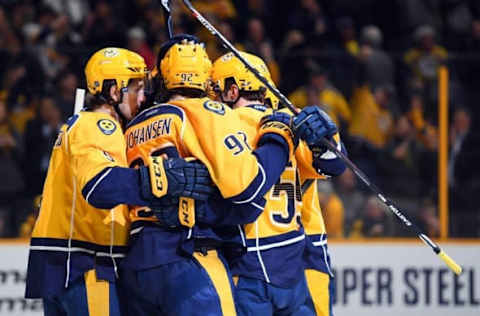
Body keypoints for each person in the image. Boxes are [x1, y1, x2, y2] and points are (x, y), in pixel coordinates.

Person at [120, 35, 301, 316]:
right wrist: (280, 140)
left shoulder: (133, 125)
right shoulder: (208, 111)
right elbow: (248, 190)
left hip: (138, 260)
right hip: (189, 255)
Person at [24, 47, 212, 316]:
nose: (142, 96)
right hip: (87, 264)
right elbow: (100, 185)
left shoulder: (80, 125)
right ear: (114, 91)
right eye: (136, 87)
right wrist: (161, 179)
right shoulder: (102, 124)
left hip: (65, 264)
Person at [211, 51, 346, 316]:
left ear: (232, 90)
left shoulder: (221, 126)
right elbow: (335, 164)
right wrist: (330, 134)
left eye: (216, 90)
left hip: (248, 263)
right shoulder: (291, 122)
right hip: (299, 258)